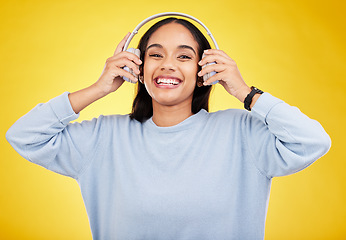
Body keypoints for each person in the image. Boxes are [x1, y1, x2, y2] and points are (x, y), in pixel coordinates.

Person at [6, 17, 331, 240]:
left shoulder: (242, 133)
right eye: (155, 54)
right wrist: (100, 88)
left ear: (205, 68)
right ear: (139, 65)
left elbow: (312, 141)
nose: (167, 65)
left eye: (185, 56)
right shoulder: (104, 138)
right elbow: (23, 135)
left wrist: (245, 92)